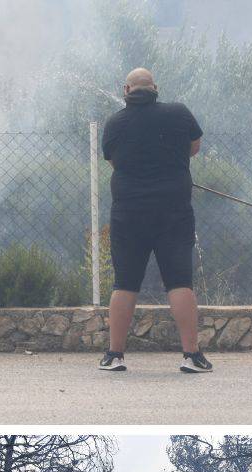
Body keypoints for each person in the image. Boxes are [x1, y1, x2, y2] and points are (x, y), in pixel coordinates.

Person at [97, 68, 212, 374]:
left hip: (128, 214)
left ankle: (114, 355)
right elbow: (194, 147)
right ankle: (192, 356)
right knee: (179, 281)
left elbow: (113, 161)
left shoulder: (115, 123)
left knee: (125, 282)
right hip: (173, 212)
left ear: (126, 90)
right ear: (156, 88)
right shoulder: (179, 113)